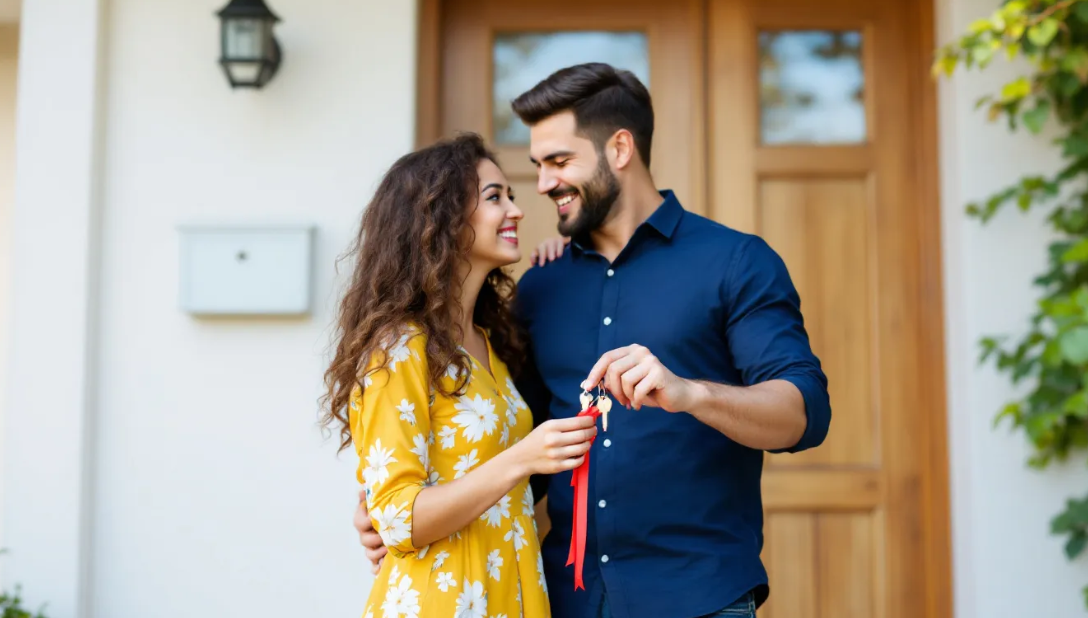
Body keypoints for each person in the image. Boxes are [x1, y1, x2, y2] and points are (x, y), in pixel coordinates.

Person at [355, 62, 832, 618]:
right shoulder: (539, 287)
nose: (544, 183)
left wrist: (691, 394)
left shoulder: (735, 261)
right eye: (537, 165)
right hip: (563, 600)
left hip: (699, 597)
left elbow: (805, 415)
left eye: (559, 161)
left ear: (620, 148)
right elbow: (506, 435)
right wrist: (393, 503)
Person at [321, 132, 599, 618]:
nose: (516, 210)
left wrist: (573, 257)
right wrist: (523, 459)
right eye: (495, 197)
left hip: (509, 594)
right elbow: (398, 520)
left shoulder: (488, 343)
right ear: (440, 220)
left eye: (510, 197)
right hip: (445, 601)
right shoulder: (399, 346)